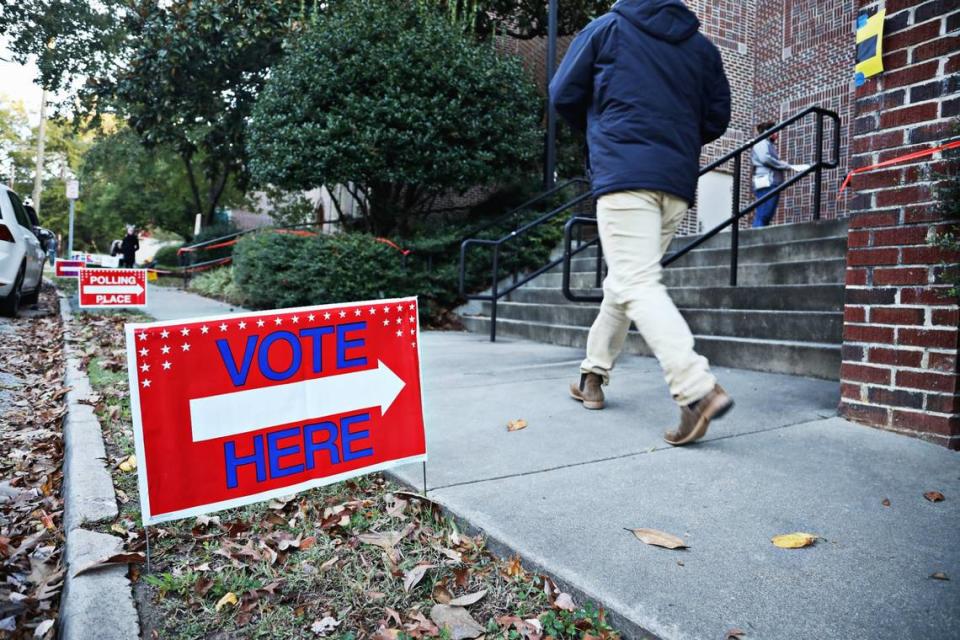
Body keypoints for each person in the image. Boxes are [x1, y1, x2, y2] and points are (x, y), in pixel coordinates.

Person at [550, 0, 733, 446]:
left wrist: (605, 126)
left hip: (625, 172)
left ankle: (696, 388)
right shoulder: (702, 48)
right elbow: (717, 117)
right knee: (626, 281)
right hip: (674, 181)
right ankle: (592, 377)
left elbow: (563, 94)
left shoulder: (607, 29)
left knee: (635, 281)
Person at [750, 122, 808, 227]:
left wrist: (785, 165)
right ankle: (755, 237)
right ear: (768, 131)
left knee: (767, 214)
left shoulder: (768, 144)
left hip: (771, 181)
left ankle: (759, 236)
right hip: (766, 182)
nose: (777, 134)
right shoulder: (761, 142)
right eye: (775, 131)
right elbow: (765, 159)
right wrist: (785, 165)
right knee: (764, 213)